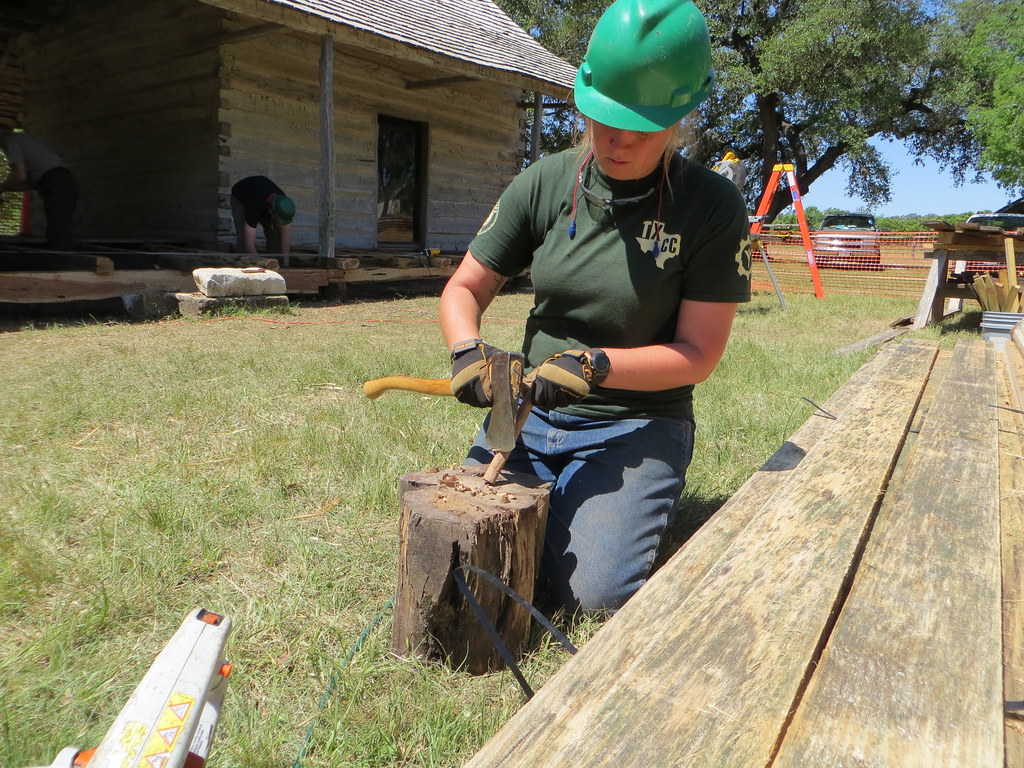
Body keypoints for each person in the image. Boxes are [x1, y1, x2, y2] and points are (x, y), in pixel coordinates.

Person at [439, 0, 752, 615]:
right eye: (605, 118)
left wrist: (597, 366)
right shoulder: (548, 182)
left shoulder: (710, 206)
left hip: (635, 423)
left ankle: (636, 498)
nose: (617, 139)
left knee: (592, 596)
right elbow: (463, 288)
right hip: (526, 410)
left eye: (641, 124)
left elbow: (698, 354)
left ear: (681, 117)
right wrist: (466, 349)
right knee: (466, 544)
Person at [0, 119, 80, 251]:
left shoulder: (11, 140)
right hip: (62, 182)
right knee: (60, 226)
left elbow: (20, 176)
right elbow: (30, 182)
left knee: (59, 229)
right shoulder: (20, 141)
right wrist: (4, 188)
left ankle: (63, 264)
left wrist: (2, 187)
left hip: (58, 183)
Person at [229, 175, 295, 255]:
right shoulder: (254, 208)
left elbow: (285, 235)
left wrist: (286, 264)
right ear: (272, 211)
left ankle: (275, 259)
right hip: (240, 197)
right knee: (242, 235)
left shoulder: (284, 204)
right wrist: (259, 264)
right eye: (278, 219)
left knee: (274, 234)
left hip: (263, 198)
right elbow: (249, 244)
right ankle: (243, 261)